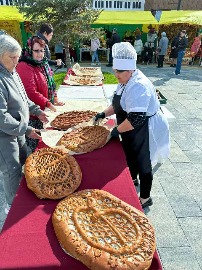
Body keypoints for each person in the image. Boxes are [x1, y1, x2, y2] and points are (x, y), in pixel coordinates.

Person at [94, 42, 170, 209]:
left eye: (119, 71)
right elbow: (119, 104)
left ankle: (145, 198)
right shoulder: (125, 81)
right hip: (130, 125)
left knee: (143, 161)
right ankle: (132, 178)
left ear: (131, 70)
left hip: (145, 127)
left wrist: (115, 131)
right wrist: (103, 114)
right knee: (130, 153)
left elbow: (136, 119)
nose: (116, 75)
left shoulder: (138, 85)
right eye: (115, 71)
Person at [0, 34, 49, 214]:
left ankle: (19, 198)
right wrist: (27, 129)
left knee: (22, 162)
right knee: (11, 170)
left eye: (17, 57)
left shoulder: (12, 72)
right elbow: (2, 117)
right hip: (5, 137)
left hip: (18, 131)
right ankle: (12, 208)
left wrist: (37, 110)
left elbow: (23, 99)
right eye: (12, 57)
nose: (16, 61)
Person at [16, 36, 64, 152]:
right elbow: (31, 92)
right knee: (37, 150)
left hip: (44, 112)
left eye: (42, 51)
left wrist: (55, 97)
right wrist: (47, 103)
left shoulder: (42, 63)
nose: (40, 54)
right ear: (29, 50)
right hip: (33, 116)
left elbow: (50, 83)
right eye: (36, 51)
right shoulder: (24, 66)